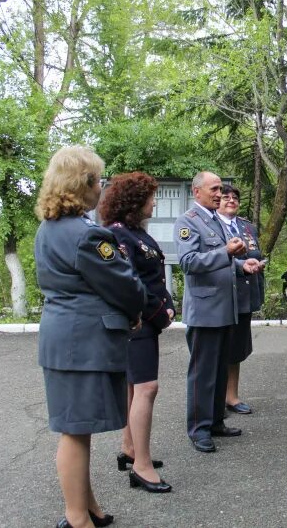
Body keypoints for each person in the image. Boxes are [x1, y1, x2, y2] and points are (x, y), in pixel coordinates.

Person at [35, 146, 146, 528]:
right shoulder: (87, 235)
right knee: (75, 431)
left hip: (63, 340)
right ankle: (76, 518)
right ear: (84, 184)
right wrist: (135, 309)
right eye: (99, 179)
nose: (102, 187)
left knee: (76, 428)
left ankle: (89, 507)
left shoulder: (48, 228)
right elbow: (125, 287)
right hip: (81, 344)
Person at [174, 171, 262, 453]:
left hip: (227, 308)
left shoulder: (216, 220)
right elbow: (188, 262)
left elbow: (225, 259)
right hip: (205, 309)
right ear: (196, 191)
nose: (219, 193)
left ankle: (215, 422)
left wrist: (242, 265)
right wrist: (225, 253)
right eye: (214, 189)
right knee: (202, 372)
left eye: (220, 189)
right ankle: (199, 429)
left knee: (220, 369)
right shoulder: (188, 222)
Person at [99, 172, 174, 494]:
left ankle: (130, 449)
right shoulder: (117, 234)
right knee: (147, 388)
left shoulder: (133, 232)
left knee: (134, 388)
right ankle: (142, 467)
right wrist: (160, 313)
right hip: (136, 323)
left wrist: (166, 304)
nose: (155, 202)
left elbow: (153, 275)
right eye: (151, 197)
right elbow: (130, 284)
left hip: (145, 321)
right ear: (135, 200)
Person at [217, 185, 266, 415]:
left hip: (245, 295)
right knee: (218, 350)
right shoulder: (212, 226)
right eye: (225, 197)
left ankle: (232, 397)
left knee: (236, 349)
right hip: (222, 297)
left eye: (235, 198)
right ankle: (215, 399)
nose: (231, 201)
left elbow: (255, 254)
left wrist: (258, 264)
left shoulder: (247, 227)